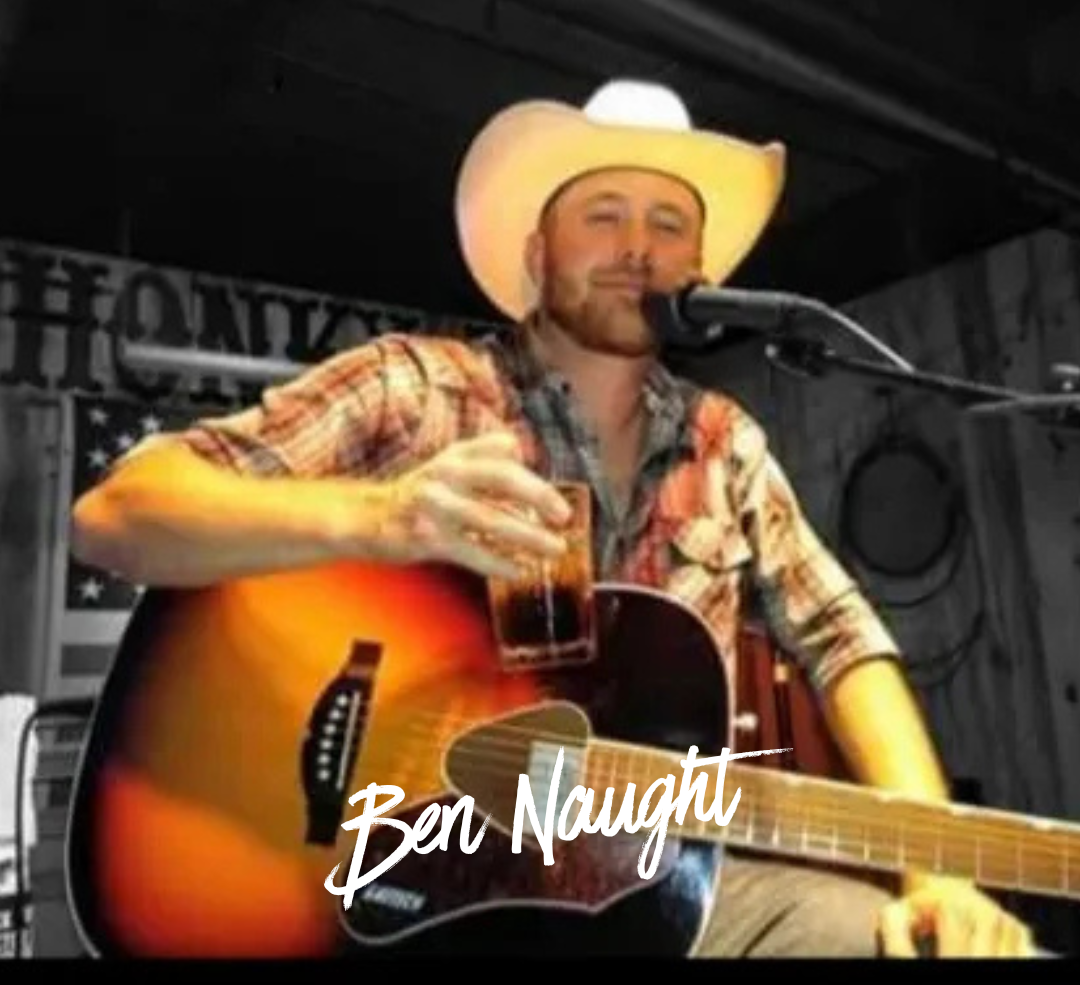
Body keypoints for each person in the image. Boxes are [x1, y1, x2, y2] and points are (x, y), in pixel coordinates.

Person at [71, 79, 1041, 958]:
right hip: (393, 902)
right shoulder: (417, 387)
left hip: (663, 892)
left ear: (697, 266)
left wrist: (939, 873)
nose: (637, 248)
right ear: (537, 256)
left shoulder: (725, 442)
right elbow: (119, 514)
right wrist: (386, 516)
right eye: (604, 214)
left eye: (669, 223)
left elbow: (843, 643)